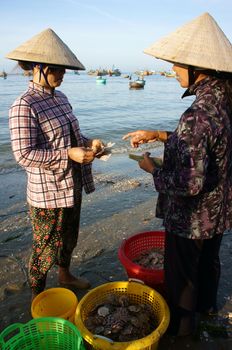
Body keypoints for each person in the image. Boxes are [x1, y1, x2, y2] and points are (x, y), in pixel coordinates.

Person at [123, 12, 232, 336]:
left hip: (192, 219)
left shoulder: (196, 115)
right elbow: (206, 147)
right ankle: (207, 311)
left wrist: (152, 169)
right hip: (220, 212)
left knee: (182, 278)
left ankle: (184, 334)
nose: (171, 70)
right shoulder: (223, 102)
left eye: (176, 64)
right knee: (208, 266)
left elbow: (189, 181)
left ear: (198, 68)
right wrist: (160, 135)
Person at [6, 28, 105, 300]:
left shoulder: (61, 98)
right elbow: (24, 154)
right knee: (44, 247)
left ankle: (65, 274)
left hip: (71, 184)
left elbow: (72, 137)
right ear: (37, 68)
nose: (62, 74)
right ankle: (38, 293)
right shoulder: (24, 106)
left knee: (70, 236)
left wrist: (90, 143)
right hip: (47, 193)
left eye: (63, 69)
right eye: (56, 69)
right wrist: (68, 155)